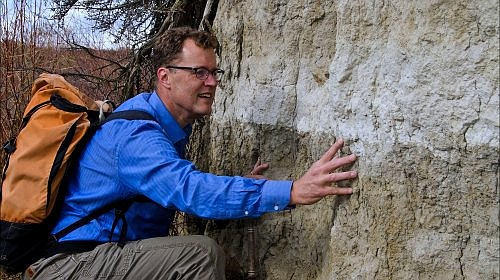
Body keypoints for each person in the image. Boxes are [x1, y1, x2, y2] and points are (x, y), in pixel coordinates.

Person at [24, 26, 358, 280]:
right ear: (165, 77)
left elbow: (182, 183)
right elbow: (190, 190)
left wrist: (242, 187)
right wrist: (292, 191)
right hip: (69, 264)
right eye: (198, 72)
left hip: (99, 255)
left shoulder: (168, 123)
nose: (211, 82)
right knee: (200, 255)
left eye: (214, 72)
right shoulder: (137, 136)